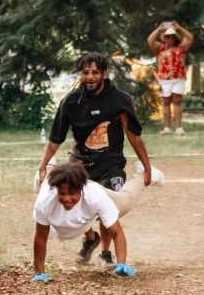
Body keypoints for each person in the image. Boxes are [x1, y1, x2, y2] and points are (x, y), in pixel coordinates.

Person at [36, 52, 153, 265]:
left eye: (95, 72)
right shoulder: (71, 102)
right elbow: (55, 139)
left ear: (104, 74)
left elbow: (134, 136)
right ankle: (91, 238)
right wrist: (43, 165)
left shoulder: (119, 100)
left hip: (110, 163)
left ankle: (106, 252)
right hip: (80, 163)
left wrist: (147, 166)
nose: (90, 77)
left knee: (110, 205)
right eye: (86, 72)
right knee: (73, 200)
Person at [32, 160, 146, 280]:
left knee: (125, 200)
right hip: (59, 193)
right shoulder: (45, 201)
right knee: (42, 177)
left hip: (93, 198)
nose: (67, 198)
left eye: (72, 194)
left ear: (81, 189)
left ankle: (141, 173)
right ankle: (50, 164)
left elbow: (117, 232)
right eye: (62, 194)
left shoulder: (96, 196)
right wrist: (40, 273)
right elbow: (41, 237)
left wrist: (121, 264)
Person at [146, 21, 194, 135]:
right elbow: (150, 40)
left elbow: (190, 38)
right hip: (164, 80)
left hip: (178, 78)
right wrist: (158, 29)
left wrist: (180, 28)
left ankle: (179, 127)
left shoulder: (181, 47)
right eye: (167, 36)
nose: (170, 38)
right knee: (166, 102)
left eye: (172, 36)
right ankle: (166, 128)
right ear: (164, 37)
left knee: (177, 101)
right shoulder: (159, 48)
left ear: (175, 37)